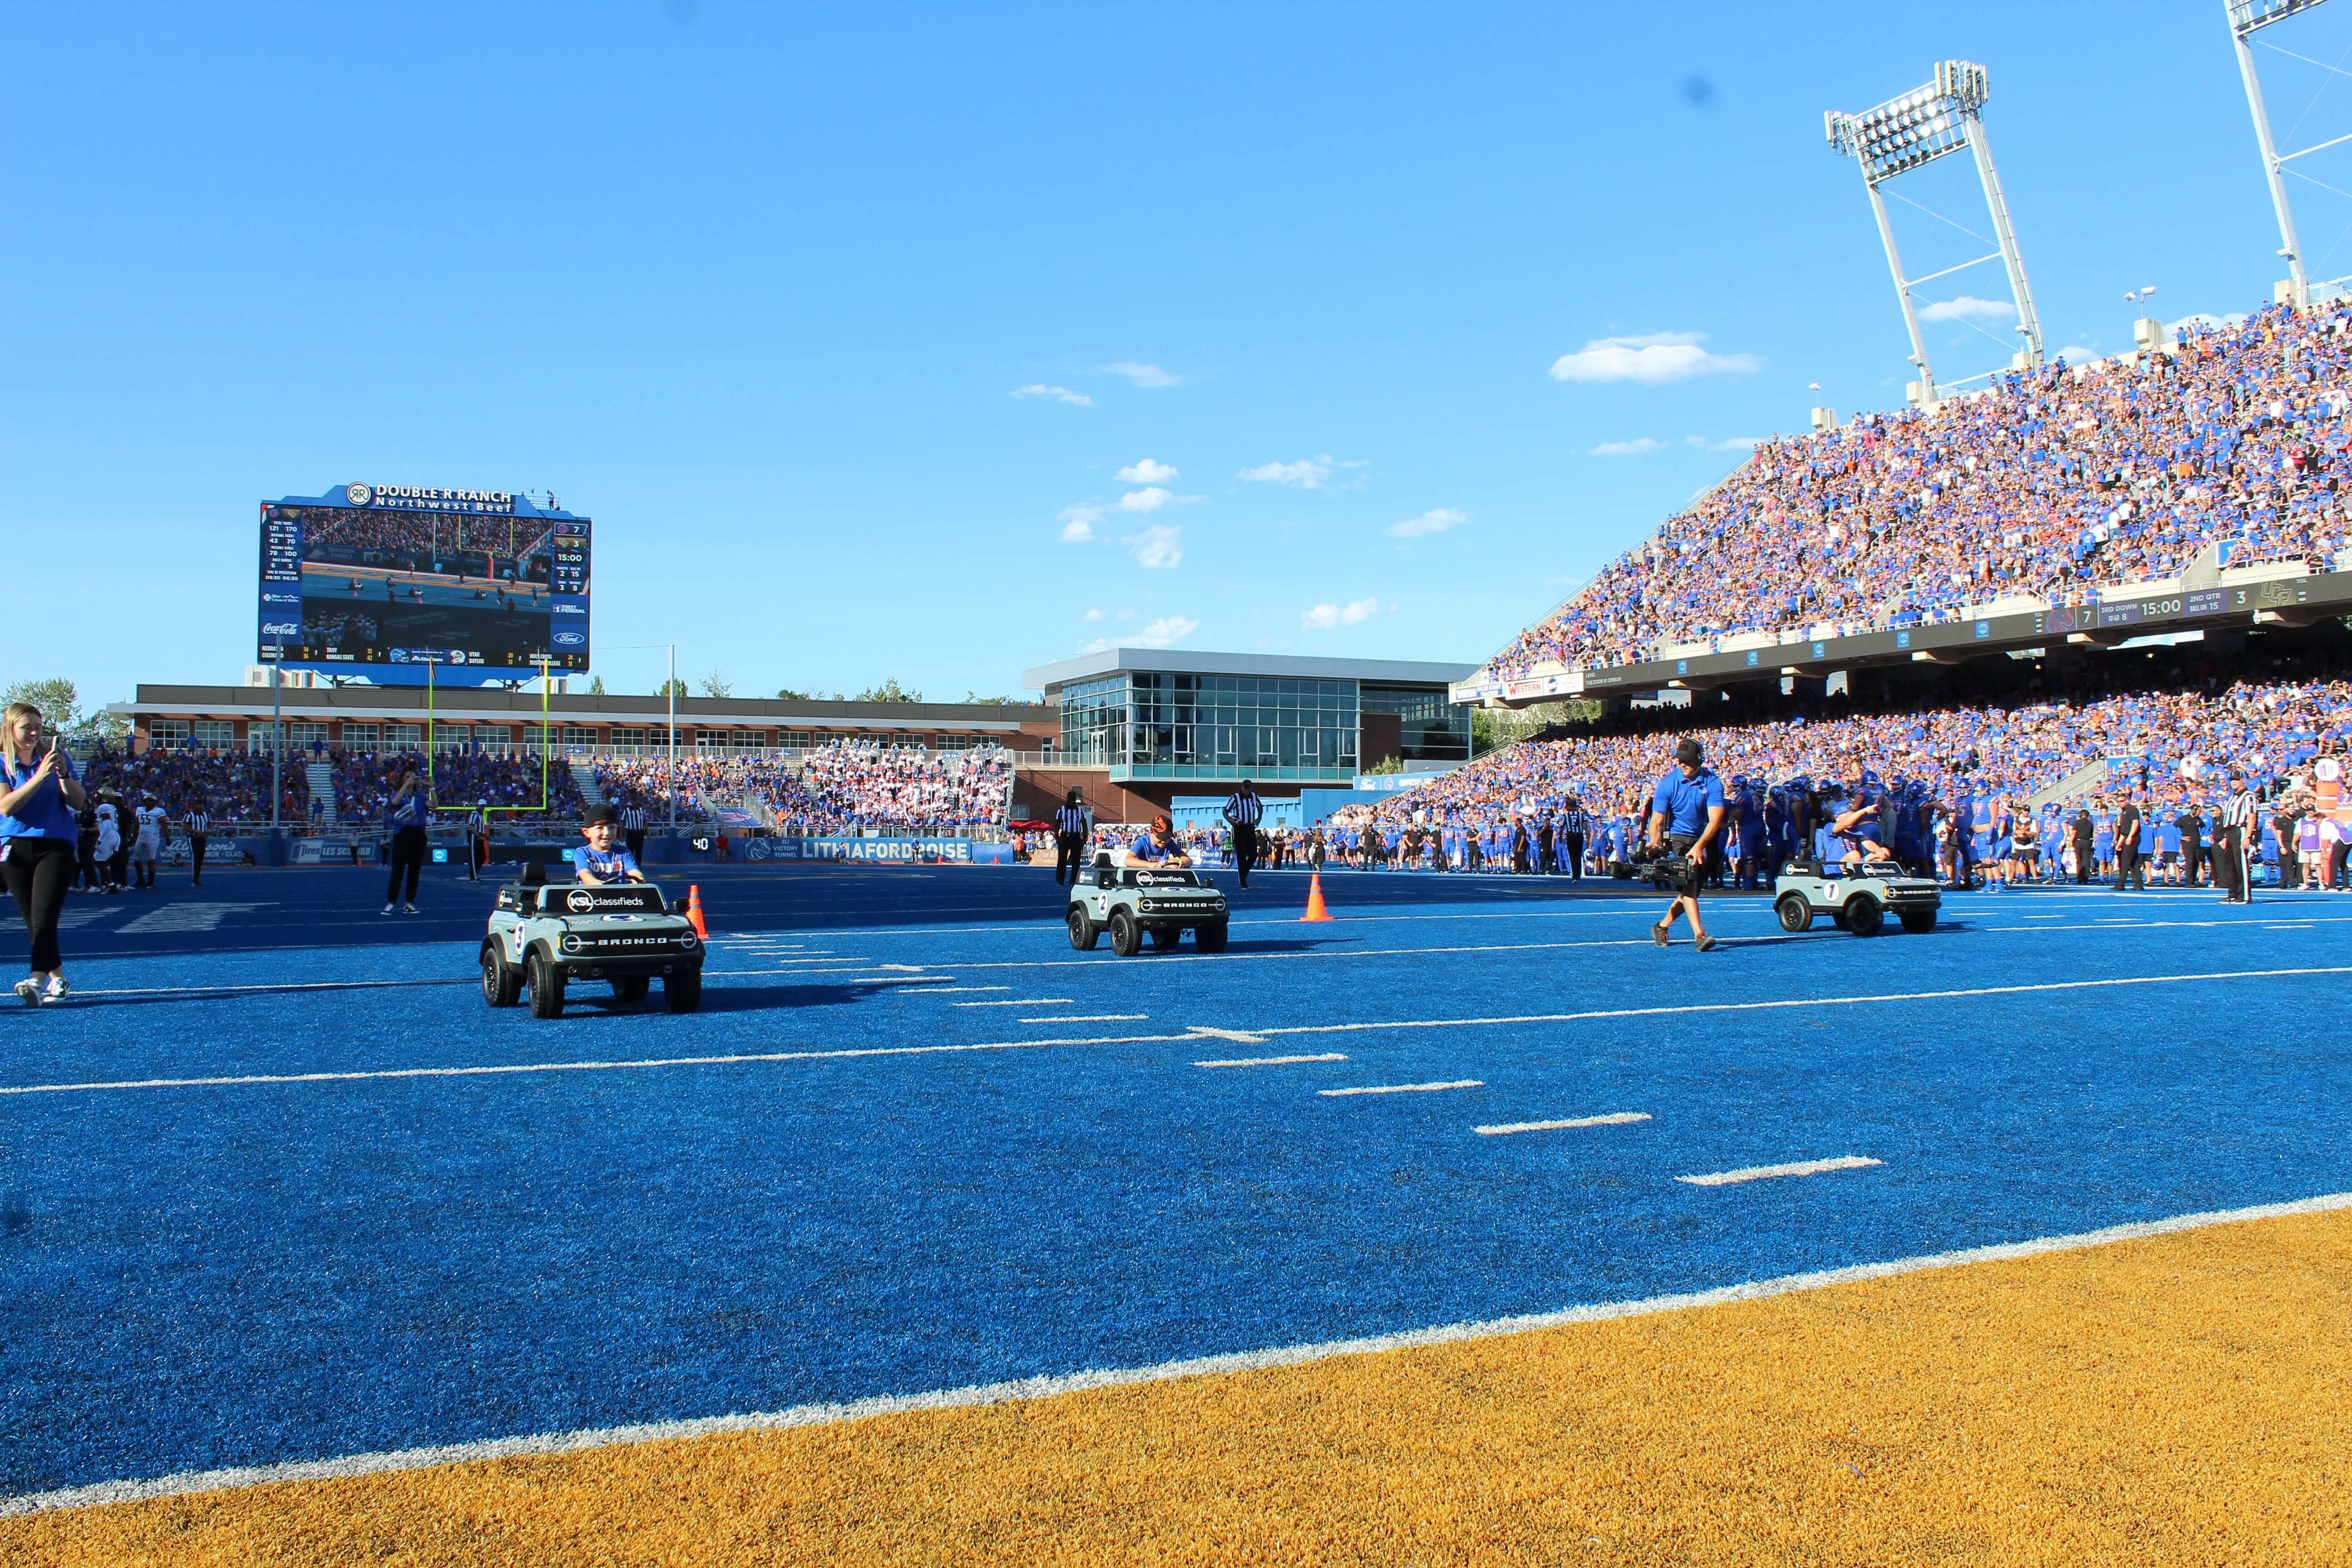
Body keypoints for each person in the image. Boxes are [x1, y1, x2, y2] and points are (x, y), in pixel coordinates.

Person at [0, 703, 90, 1005]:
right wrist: (39, 777)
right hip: (13, 849)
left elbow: (80, 802)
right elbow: (6, 806)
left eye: (38, 726)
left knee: (44, 917)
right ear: (11, 728)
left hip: (55, 846)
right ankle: (59, 980)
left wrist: (63, 776)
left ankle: (36, 982)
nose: (34, 732)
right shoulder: (2, 761)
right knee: (35, 923)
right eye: (27, 727)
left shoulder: (57, 757)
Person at [1647, 737, 1725, 953]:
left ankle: (1661, 926)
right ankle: (1700, 936)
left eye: (1687, 761)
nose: (1682, 764)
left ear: (1699, 761)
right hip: (1679, 837)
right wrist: (1654, 841)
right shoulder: (1668, 783)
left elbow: (1715, 820)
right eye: (1679, 760)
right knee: (1689, 884)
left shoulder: (1713, 783)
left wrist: (1700, 845)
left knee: (1690, 893)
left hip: (1703, 837)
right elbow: (1657, 819)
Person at [382, 769, 428, 915]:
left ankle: (409, 903)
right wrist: (406, 785)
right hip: (402, 834)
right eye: (408, 777)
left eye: (413, 777)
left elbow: (434, 804)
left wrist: (432, 787)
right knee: (398, 870)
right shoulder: (399, 795)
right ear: (403, 779)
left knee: (415, 871)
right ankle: (391, 903)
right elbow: (395, 802)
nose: (411, 779)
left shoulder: (420, 797)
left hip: (418, 834)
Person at [575, 805, 647, 884]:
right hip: (590, 895)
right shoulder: (582, 853)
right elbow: (585, 874)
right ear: (587, 832)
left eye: (612, 828)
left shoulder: (623, 852)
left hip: (617, 896)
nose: (607, 833)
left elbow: (634, 871)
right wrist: (596, 884)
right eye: (600, 828)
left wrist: (639, 878)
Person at [2217, 772, 2256, 905]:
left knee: (2241, 865)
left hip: (2241, 830)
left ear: (2243, 780)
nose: (2233, 782)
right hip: (2230, 831)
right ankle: (2232, 893)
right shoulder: (2233, 797)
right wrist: (2226, 837)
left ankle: (2244, 895)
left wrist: (2247, 837)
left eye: (2236, 780)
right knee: (2230, 864)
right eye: (2232, 780)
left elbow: (2252, 817)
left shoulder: (2248, 796)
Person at [1223, 779, 1264, 888]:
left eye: (1249, 788)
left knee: (1254, 854)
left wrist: (1258, 819)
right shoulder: (1235, 797)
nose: (1247, 790)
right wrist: (1230, 821)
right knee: (1241, 856)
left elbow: (1260, 807)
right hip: (1239, 828)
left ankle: (1243, 873)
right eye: (1246, 788)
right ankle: (1243, 882)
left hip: (1250, 827)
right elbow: (1225, 811)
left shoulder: (1255, 797)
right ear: (1242, 788)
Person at [1052, 788, 1091, 887]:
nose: (1072, 802)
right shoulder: (1061, 810)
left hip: (1076, 837)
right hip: (1065, 836)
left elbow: (1084, 824)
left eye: (1073, 800)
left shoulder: (1080, 811)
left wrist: (1085, 838)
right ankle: (1060, 880)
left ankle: (1074, 881)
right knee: (1062, 860)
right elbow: (1056, 824)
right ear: (1067, 799)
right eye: (1070, 799)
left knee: (1076, 861)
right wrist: (1057, 837)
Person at [1128, 813, 1192, 867]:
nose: (1164, 841)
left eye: (1168, 838)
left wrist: (1180, 863)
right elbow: (1128, 860)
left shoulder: (1170, 843)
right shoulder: (1143, 842)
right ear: (1152, 833)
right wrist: (1149, 865)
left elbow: (1189, 861)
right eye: (1161, 838)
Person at [130, 794, 164, 890]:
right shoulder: (139, 810)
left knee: (151, 859)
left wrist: (168, 840)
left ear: (155, 802)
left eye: (151, 801)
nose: (148, 802)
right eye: (147, 800)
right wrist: (134, 837)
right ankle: (141, 880)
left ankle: (151, 882)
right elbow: (137, 825)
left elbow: (164, 826)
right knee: (137, 859)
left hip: (152, 837)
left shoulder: (159, 811)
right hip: (141, 837)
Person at [2113, 794, 2144, 892]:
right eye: (2118, 801)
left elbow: (2136, 823)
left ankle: (2120, 884)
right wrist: (2120, 842)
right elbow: (2124, 830)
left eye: (2122, 801)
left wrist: (2130, 837)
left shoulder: (2132, 810)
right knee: (2133, 862)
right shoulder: (2124, 812)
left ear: (2127, 800)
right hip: (2127, 836)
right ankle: (2138, 884)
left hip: (2133, 837)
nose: (2120, 803)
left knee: (2125, 861)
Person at [1559, 795, 1588, 884]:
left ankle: (1574, 875)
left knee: (1572, 856)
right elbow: (1585, 827)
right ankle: (1578, 875)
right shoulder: (1581, 815)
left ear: (1569, 807)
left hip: (1571, 836)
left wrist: (1560, 836)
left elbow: (1561, 826)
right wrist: (1588, 836)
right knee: (1578, 855)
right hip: (1579, 836)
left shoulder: (1566, 816)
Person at [186, 803, 211, 886]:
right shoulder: (190, 815)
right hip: (194, 838)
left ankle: (197, 879)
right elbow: (184, 826)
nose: (203, 807)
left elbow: (210, 826)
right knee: (196, 858)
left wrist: (209, 831)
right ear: (197, 806)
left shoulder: (206, 815)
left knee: (201, 859)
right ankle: (195, 880)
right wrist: (195, 831)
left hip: (202, 839)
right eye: (201, 805)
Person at [620, 800, 649, 864]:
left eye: (635, 801)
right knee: (630, 851)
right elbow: (623, 822)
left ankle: (638, 867)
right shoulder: (627, 811)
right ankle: (631, 867)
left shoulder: (642, 811)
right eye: (633, 801)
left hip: (640, 833)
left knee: (639, 852)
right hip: (630, 833)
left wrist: (648, 833)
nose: (634, 803)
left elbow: (645, 822)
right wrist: (621, 834)